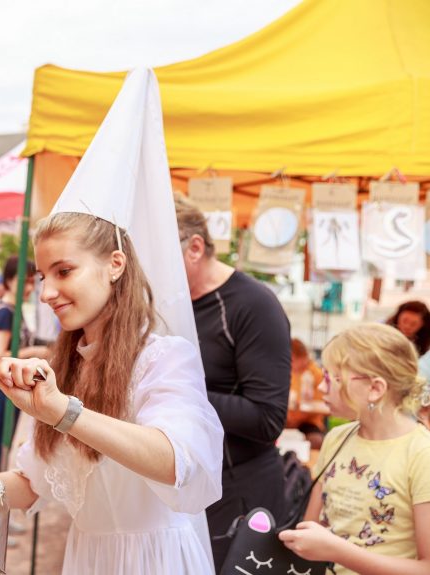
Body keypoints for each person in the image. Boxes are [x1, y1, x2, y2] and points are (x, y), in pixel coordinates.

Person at [0, 212, 223, 574]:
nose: (47, 293)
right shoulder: (66, 368)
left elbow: (176, 460)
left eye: (64, 271)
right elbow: (32, 483)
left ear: (115, 264)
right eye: (43, 276)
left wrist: (64, 412)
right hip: (88, 560)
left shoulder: (163, 356)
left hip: (155, 563)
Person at [174, 193, 292, 571]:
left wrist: (176, 395)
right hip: (182, 492)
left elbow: (267, 418)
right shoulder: (166, 303)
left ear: (195, 247)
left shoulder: (252, 304)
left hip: (240, 493)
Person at [279, 324, 430, 575]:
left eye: (333, 378)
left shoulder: (421, 454)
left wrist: (337, 551)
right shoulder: (337, 438)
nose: (321, 387)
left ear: (375, 388)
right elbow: (310, 525)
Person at [0, 256, 50, 473]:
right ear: (10, 280)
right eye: (24, 281)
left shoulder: (15, 311)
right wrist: (33, 352)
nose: (29, 287)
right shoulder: (4, 313)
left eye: (32, 281)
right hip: (0, 391)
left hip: (9, 391)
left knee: (2, 449)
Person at [286, 337, 326, 449]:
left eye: (293, 359)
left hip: (309, 421)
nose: (291, 362)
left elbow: (320, 404)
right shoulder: (285, 372)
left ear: (303, 357)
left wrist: (298, 408)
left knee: (316, 440)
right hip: (286, 419)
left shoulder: (316, 374)